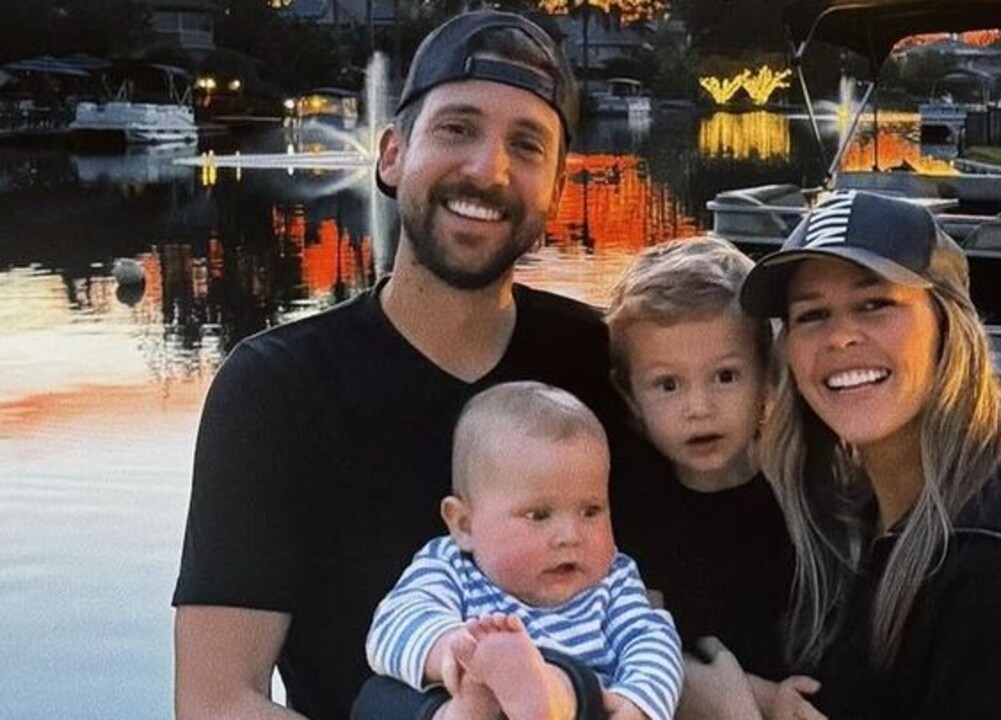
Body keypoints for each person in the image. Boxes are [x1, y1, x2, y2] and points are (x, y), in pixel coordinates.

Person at [172, 11, 636, 719]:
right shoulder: (278, 390)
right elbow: (216, 700)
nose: (487, 169)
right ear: (392, 155)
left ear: (555, 191)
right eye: (457, 129)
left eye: (526, 145)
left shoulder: (600, 366)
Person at [736, 191, 1001, 719]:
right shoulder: (851, 515)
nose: (840, 336)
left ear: (947, 326)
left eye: (875, 304)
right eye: (812, 315)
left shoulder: (1000, 569)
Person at [365, 381, 682, 720]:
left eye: (590, 511)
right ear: (465, 525)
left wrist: (638, 703)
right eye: (539, 515)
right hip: (475, 694)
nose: (570, 536)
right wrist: (459, 650)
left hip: (578, 708)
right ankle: (471, 707)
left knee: (578, 683)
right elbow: (395, 623)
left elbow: (651, 639)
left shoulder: (612, 577)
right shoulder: (450, 565)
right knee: (386, 698)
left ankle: (550, 692)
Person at [602, 236, 822, 720]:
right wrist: (762, 696)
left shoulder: (805, 501)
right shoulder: (624, 512)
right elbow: (631, 642)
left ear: (767, 376)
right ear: (631, 397)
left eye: (725, 376)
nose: (699, 408)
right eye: (668, 385)